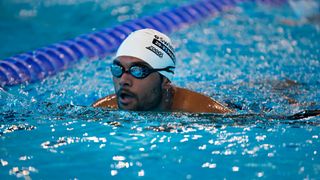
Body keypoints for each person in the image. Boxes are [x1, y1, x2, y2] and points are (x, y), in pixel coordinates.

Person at [92, 29, 231, 113]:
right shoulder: (101, 110)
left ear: (165, 80)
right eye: (118, 69)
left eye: (138, 71)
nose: (123, 81)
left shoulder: (203, 111)